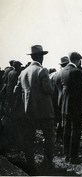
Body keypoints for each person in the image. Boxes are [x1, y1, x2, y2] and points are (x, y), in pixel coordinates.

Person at [15, 45, 55, 173]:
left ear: (31, 57)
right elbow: (49, 90)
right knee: (49, 136)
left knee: (29, 138)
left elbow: (17, 90)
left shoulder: (23, 72)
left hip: (29, 112)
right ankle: (47, 163)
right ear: (41, 57)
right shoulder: (42, 71)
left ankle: (30, 165)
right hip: (44, 112)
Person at [61, 52, 82, 164]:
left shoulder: (64, 71)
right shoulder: (76, 71)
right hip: (76, 105)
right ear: (78, 60)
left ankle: (66, 155)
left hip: (65, 104)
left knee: (66, 130)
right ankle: (74, 156)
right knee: (76, 131)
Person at [52, 56, 69, 143]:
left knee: (58, 118)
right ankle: (62, 137)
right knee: (64, 119)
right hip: (65, 99)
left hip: (57, 98)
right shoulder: (66, 74)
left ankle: (57, 136)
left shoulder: (56, 75)